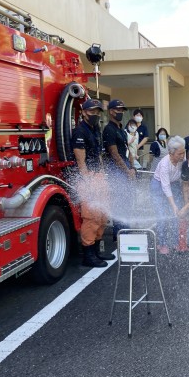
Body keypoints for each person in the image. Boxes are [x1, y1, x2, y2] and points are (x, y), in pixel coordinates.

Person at [70, 99, 115, 267]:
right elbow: (80, 160)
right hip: (88, 178)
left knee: (102, 216)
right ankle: (88, 255)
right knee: (91, 217)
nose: (95, 114)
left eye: (97, 112)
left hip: (98, 177)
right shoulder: (80, 131)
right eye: (92, 111)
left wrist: (103, 175)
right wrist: (87, 181)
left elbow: (99, 156)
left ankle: (96, 251)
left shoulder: (95, 130)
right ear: (84, 112)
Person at [102, 99, 136, 240]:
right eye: (118, 110)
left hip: (126, 167)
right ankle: (120, 236)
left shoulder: (121, 129)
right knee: (119, 203)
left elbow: (127, 150)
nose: (121, 112)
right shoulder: (109, 129)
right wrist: (127, 170)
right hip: (116, 171)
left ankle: (126, 232)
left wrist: (132, 167)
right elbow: (114, 154)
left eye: (122, 110)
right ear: (111, 111)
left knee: (127, 202)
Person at [150, 136, 186, 254]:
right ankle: (162, 243)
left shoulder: (183, 159)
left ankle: (177, 242)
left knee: (178, 214)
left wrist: (178, 206)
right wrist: (173, 205)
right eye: (179, 154)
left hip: (174, 184)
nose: (182, 156)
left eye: (183, 152)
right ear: (171, 153)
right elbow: (165, 186)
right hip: (158, 185)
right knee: (162, 216)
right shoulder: (165, 164)